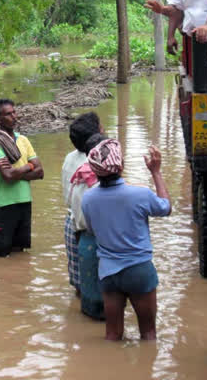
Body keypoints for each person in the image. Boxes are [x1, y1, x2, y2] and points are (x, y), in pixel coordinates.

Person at [81, 139, 171, 341]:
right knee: (148, 334)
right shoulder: (140, 194)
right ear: (120, 165)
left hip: (108, 272)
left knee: (112, 335)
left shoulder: (88, 198)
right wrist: (156, 172)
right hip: (138, 269)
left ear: (95, 170)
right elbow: (166, 208)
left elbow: (92, 231)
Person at [0, 99, 44, 257]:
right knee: (0, 255)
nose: (14, 116)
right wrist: (28, 166)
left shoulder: (23, 140)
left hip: (25, 202)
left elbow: (40, 172)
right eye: (8, 114)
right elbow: (8, 176)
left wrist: (19, 171)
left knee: (20, 253)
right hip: (5, 205)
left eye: (14, 112)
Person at [61, 113, 101, 295]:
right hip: (90, 228)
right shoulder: (98, 162)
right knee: (99, 284)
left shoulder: (70, 157)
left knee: (80, 283)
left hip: (72, 221)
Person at [73, 132, 107, 320]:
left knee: (91, 305)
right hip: (99, 241)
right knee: (106, 307)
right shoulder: (98, 185)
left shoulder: (79, 177)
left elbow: (76, 220)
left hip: (85, 240)